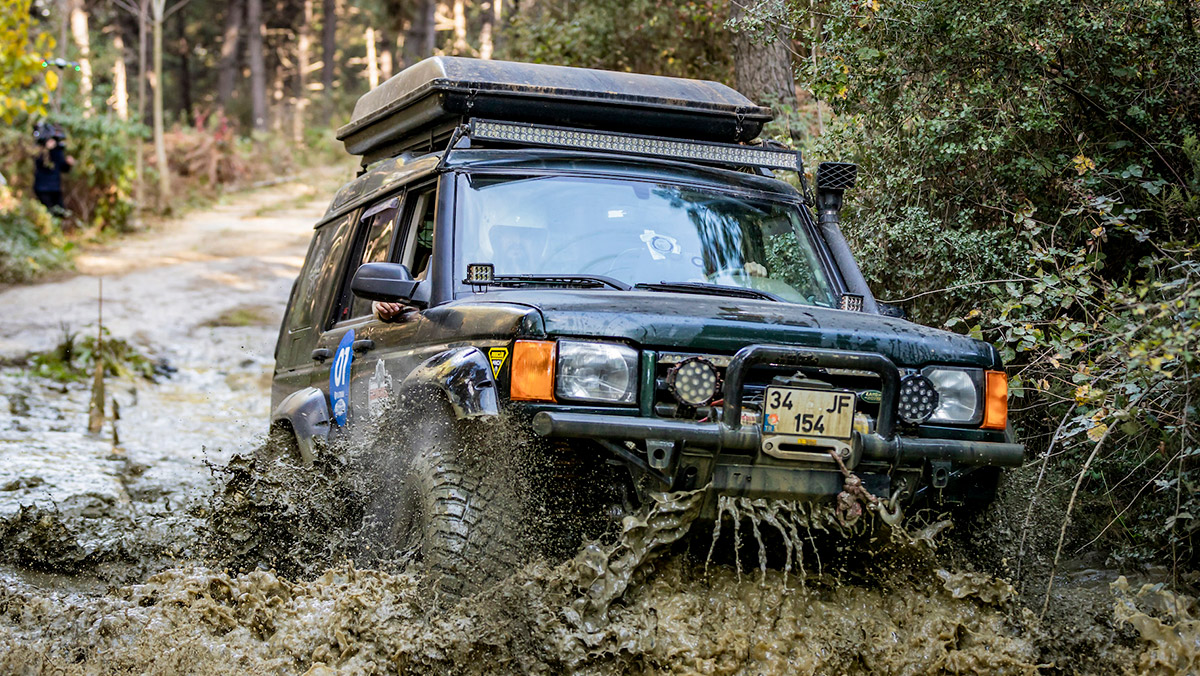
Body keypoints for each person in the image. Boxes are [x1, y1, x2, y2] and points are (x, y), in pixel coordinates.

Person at [33, 126, 75, 215]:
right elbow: (39, 162)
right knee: (46, 213)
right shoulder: (39, 150)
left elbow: (63, 168)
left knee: (60, 213)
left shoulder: (58, 151)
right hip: (42, 188)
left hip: (55, 188)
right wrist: (47, 149)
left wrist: (68, 164)